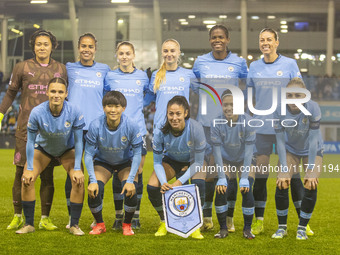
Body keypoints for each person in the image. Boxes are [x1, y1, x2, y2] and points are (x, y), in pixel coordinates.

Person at [246, 28, 312, 235]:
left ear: (277, 42)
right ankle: (259, 220)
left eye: (269, 40)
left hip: (287, 128)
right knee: (261, 175)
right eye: (261, 39)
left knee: (293, 176)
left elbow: (301, 93)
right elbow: (249, 99)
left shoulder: (290, 64)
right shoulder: (254, 66)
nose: (265, 43)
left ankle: (303, 222)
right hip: (263, 129)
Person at [0, 29, 67, 230]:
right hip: (25, 128)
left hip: (51, 130)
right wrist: (1, 114)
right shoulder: (21, 67)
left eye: (46, 44)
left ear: (52, 46)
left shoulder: (61, 69)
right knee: (21, 173)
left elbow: (66, 97)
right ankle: (18, 215)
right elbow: (10, 94)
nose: (42, 47)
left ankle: (44, 218)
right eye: (38, 44)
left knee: (47, 175)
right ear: (33, 46)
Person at [192, 24, 248, 231]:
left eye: (221, 37)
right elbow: (193, 86)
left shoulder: (240, 63)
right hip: (205, 125)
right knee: (208, 174)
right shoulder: (200, 62)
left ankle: (230, 218)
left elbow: (249, 85)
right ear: (210, 40)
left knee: (229, 174)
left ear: (228, 39)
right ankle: (207, 218)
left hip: (230, 126)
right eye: (214, 37)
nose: (218, 40)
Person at [16, 77, 85, 235]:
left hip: (67, 150)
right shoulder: (37, 112)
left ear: (66, 93)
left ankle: (74, 225)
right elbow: (30, 141)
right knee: (27, 179)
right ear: (47, 92)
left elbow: (79, 142)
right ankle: (29, 224)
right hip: (44, 149)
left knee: (78, 179)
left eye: (60, 92)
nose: (56, 95)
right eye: (53, 91)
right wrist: (30, 168)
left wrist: (77, 168)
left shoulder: (74, 110)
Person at [65, 32, 110, 228]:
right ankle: (71, 217)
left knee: (96, 173)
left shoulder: (104, 70)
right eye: (83, 46)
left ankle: (96, 216)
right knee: (74, 172)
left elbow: (110, 95)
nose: (86, 49)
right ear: (78, 48)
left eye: (90, 46)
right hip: (74, 127)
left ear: (95, 49)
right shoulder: (69, 68)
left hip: (96, 128)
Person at [104, 41, 150, 230]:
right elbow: (105, 98)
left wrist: (139, 105)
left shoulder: (143, 77)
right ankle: (118, 216)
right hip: (116, 131)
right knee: (117, 171)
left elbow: (149, 96)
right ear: (117, 56)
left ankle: (135, 216)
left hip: (138, 131)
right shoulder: (110, 76)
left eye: (127, 53)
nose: (124, 56)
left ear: (133, 55)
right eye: (121, 53)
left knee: (137, 173)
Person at [147, 96, 206, 239]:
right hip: (172, 160)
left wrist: (179, 182)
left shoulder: (196, 128)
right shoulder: (160, 130)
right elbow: (157, 162)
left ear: (185, 113)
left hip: (194, 161)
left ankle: (196, 225)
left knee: (198, 184)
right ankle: (164, 221)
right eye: (171, 114)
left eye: (178, 113)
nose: (174, 118)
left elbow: (198, 162)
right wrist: (164, 182)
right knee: (152, 185)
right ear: (166, 114)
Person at [84, 91, 142, 236]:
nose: (113, 110)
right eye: (109, 106)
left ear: (123, 108)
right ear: (104, 108)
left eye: (117, 106)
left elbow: (137, 154)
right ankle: (100, 224)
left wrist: (130, 180)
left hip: (124, 162)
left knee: (130, 188)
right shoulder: (95, 125)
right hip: (103, 162)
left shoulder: (132, 125)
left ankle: (127, 225)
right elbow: (89, 154)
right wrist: (92, 180)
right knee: (94, 190)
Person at [272, 78, 323, 240]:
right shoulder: (278, 109)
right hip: (291, 149)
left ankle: (302, 228)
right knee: (282, 181)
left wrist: (310, 171)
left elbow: (314, 140)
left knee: (311, 183)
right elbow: (279, 141)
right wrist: (284, 170)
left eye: (298, 95)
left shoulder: (313, 107)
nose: (293, 99)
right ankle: (282, 228)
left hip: (312, 149)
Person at [211, 89, 256, 239]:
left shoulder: (248, 121)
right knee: (221, 187)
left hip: (244, 159)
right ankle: (223, 228)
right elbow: (216, 152)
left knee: (246, 187)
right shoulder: (216, 122)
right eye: (226, 105)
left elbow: (249, 152)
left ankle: (247, 229)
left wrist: (244, 177)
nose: (229, 108)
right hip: (226, 160)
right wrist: (221, 177)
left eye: (232, 104)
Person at [149, 38, 196, 129]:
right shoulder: (156, 75)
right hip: (160, 126)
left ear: (179, 53)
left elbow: (200, 94)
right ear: (162, 53)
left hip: (181, 126)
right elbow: (150, 97)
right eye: (165, 51)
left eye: (172, 51)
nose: (169, 54)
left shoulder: (189, 74)